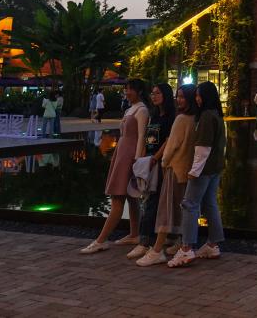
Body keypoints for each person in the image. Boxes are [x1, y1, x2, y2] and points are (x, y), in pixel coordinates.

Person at [79, 78, 150, 254]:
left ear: (139, 91)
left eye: (130, 89)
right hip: (122, 153)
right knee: (131, 197)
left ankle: (101, 240)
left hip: (129, 156)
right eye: (126, 89)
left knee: (118, 197)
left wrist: (137, 159)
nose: (127, 92)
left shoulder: (142, 110)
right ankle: (134, 234)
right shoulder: (130, 109)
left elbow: (142, 136)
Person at [136, 84, 198, 266]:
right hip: (187, 169)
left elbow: (171, 146)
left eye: (182, 97)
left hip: (173, 168)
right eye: (178, 96)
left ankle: (156, 250)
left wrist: (161, 162)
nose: (179, 100)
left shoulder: (180, 119)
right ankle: (181, 242)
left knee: (165, 209)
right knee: (181, 208)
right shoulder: (195, 118)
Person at [168, 81, 225, 267]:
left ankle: (186, 248)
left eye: (199, 95)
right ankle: (213, 244)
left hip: (203, 169)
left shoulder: (207, 116)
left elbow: (203, 147)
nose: (197, 99)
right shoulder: (217, 114)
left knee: (189, 205)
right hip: (215, 168)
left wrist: (194, 171)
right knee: (209, 203)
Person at [127, 83, 176, 261]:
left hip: (159, 162)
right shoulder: (154, 115)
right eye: (152, 93)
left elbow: (168, 140)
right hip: (148, 160)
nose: (153, 96)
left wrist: (155, 158)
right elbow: (148, 138)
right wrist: (142, 158)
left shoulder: (171, 117)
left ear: (166, 95)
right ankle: (152, 239)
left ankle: (145, 241)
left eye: (157, 93)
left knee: (153, 201)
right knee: (148, 199)